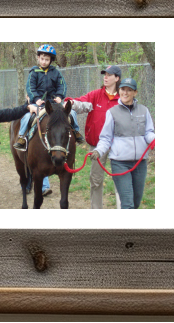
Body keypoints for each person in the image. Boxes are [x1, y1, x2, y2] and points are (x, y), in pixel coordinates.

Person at [13, 44, 84, 196]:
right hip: (38, 103)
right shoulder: (33, 73)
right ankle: (21, 137)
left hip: (54, 103)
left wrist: (59, 96)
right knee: (27, 116)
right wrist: (36, 99)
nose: (44, 61)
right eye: (42, 58)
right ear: (38, 58)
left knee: (72, 114)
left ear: (51, 60)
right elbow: (30, 88)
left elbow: (62, 86)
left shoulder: (56, 73)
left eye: (47, 59)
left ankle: (76, 132)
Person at [90, 78, 155, 209]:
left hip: (140, 163)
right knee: (127, 203)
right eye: (123, 89)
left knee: (136, 203)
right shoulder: (112, 112)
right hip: (120, 162)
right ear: (119, 91)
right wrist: (98, 151)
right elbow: (106, 138)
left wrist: (154, 139)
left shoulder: (144, 111)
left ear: (135, 92)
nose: (125, 93)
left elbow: (148, 132)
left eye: (129, 90)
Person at [64, 65, 122, 209]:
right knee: (96, 180)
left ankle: (124, 211)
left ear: (117, 78)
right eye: (105, 74)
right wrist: (71, 103)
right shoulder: (96, 95)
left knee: (121, 180)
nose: (106, 77)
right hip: (97, 146)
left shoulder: (123, 98)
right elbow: (81, 103)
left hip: (119, 146)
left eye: (109, 75)